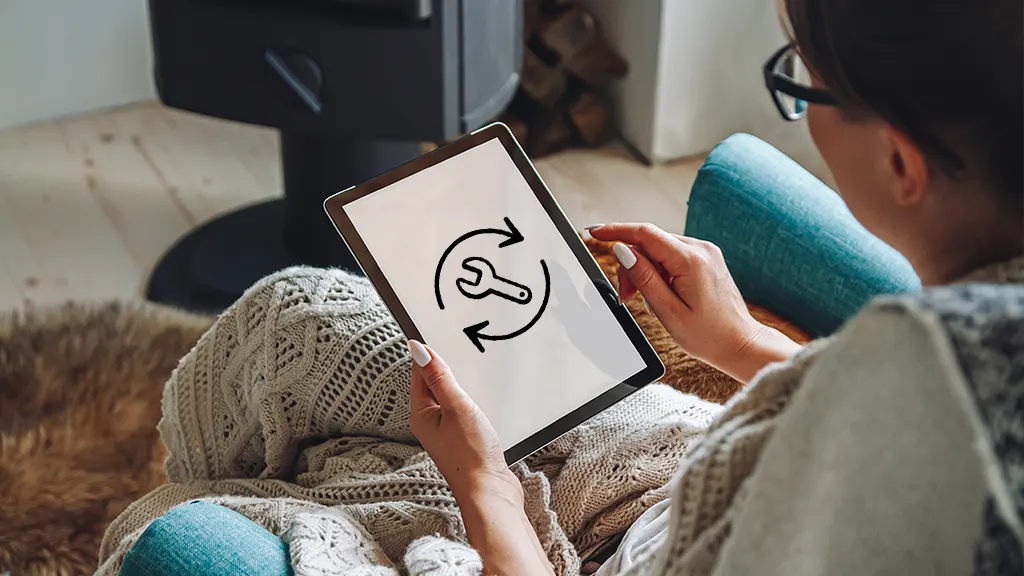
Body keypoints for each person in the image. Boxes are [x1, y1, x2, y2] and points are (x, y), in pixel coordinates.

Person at [103, 0, 1023, 574]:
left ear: (901, 159)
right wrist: (738, 345)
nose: (803, 112)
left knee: (238, 464)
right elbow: (853, 421)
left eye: (804, 90)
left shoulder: (932, 437)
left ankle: (208, 483)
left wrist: (484, 490)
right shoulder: (957, 361)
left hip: (620, 542)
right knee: (298, 316)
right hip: (693, 470)